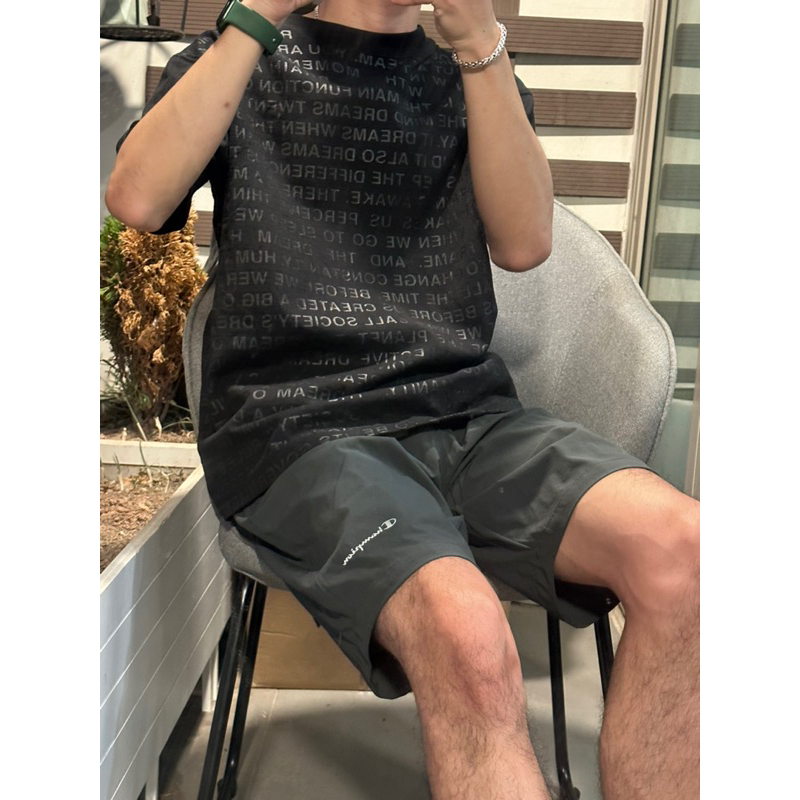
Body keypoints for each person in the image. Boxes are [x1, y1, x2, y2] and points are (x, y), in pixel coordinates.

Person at [106, 0, 700, 797]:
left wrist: (481, 42)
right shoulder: (246, 50)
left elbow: (526, 243)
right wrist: (256, 16)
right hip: (297, 426)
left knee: (689, 554)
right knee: (466, 629)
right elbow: (138, 201)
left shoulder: (470, 68)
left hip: (466, 415)